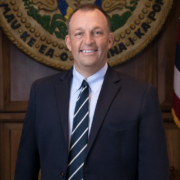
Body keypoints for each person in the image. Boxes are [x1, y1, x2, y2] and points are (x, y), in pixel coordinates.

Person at [14, 3, 169, 180]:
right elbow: (26, 168)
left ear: (110, 40)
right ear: (68, 42)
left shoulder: (141, 95)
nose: (88, 41)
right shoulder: (41, 92)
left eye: (97, 32)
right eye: (79, 33)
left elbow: (155, 172)